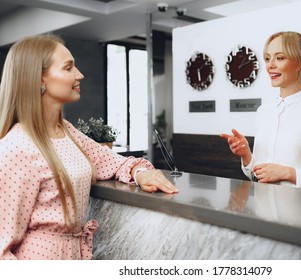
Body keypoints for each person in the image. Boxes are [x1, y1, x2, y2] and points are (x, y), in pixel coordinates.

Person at [0, 34, 178, 260]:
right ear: (39, 80)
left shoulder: (67, 132)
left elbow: (114, 162)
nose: (79, 75)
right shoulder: (16, 148)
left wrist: (140, 172)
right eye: (68, 68)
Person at [221, 31, 301, 193]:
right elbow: (260, 175)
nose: (270, 65)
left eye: (280, 58)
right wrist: (246, 155)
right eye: (268, 58)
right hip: (263, 215)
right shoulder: (264, 112)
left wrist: (290, 173)